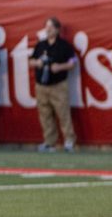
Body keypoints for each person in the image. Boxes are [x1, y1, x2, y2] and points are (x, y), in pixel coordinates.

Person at [30, 17, 78, 153]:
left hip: (58, 85)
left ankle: (69, 141)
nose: (48, 30)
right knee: (45, 115)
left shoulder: (64, 45)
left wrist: (60, 67)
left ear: (57, 30)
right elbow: (31, 60)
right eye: (47, 27)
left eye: (51, 27)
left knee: (63, 113)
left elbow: (73, 62)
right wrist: (37, 63)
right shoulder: (41, 45)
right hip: (41, 85)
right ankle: (50, 142)